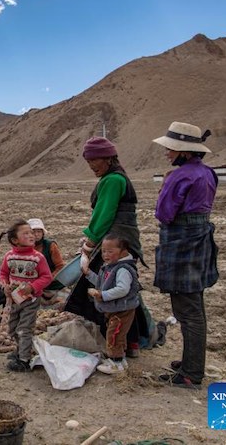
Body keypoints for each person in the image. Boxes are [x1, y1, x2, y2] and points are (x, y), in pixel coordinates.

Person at [64, 136, 154, 358]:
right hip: (120, 241)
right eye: (89, 162)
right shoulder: (114, 178)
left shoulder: (113, 180)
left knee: (111, 291)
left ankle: (121, 344)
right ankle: (133, 341)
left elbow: (104, 214)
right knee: (126, 291)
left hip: (115, 243)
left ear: (108, 158)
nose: (92, 166)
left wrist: (89, 243)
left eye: (95, 160)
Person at [152, 122, 218, 389]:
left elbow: (163, 213)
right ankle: (191, 362)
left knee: (187, 310)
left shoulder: (179, 177)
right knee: (195, 306)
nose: (167, 152)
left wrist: (163, 189)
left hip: (181, 242)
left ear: (186, 152)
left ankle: (191, 373)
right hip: (200, 238)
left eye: (171, 148)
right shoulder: (208, 173)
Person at [83, 234, 142, 375]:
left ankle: (116, 364)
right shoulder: (110, 267)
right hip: (116, 309)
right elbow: (103, 283)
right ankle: (120, 360)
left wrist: (102, 295)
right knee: (118, 334)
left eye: (110, 251)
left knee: (114, 335)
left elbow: (122, 289)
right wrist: (88, 274)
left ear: (123, 251)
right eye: (103, 251)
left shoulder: (123, 269)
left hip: (122, 310)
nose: (105, 255)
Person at [0, 219, 53, 372]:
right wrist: (5, 285)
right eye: (26, 233)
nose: (31, 235)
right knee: (13, 327)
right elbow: (3, 272)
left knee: (24, 328)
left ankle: (24, 360)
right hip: (15, 300)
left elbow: (46, 277)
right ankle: (19, 350)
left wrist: (33, 287)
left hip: (31, 300)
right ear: (15, 240)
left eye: (31, 232)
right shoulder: (9, 256)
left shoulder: (38, 258)